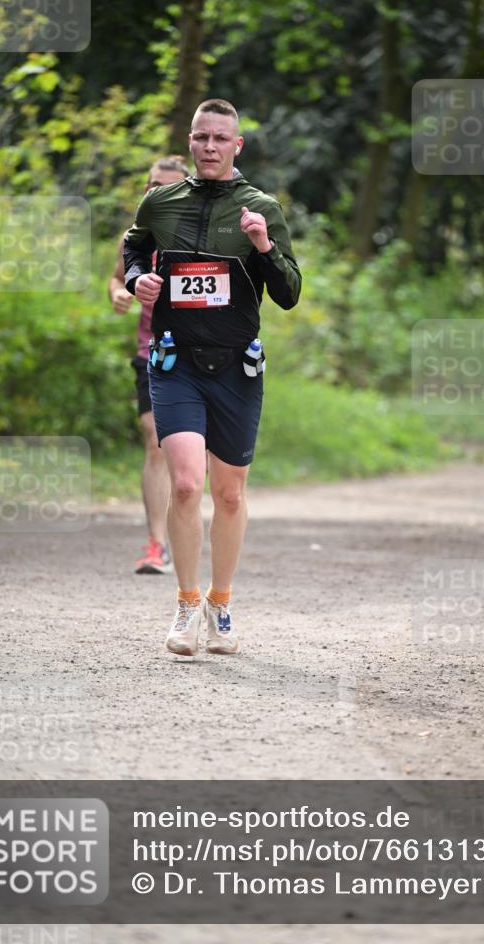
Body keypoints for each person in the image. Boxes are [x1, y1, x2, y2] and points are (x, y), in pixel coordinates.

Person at [123, 98, 302, 655]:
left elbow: (290, 293)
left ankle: (220, 604)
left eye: (220, 139)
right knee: (185, 483)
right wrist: (137, 281)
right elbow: (133, 247)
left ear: (237, 145)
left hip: (235, 369)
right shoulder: (162, 201)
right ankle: (185, 603)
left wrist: (263, 247)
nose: (208, 147)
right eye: (201, 137)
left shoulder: (261, 207)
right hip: (175, 363)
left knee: (228, 494)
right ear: (191, 138)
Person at [109, 157, 190, 573]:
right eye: (150, 185)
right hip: (153, 353)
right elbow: (117, 276)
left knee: (190, 457)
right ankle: (156, 544)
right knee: (155, 440)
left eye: (166, 187)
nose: (154, 193)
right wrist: (119, 294)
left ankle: (188, 533)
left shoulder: (203, 235)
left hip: (199, 357)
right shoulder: (136, 235)